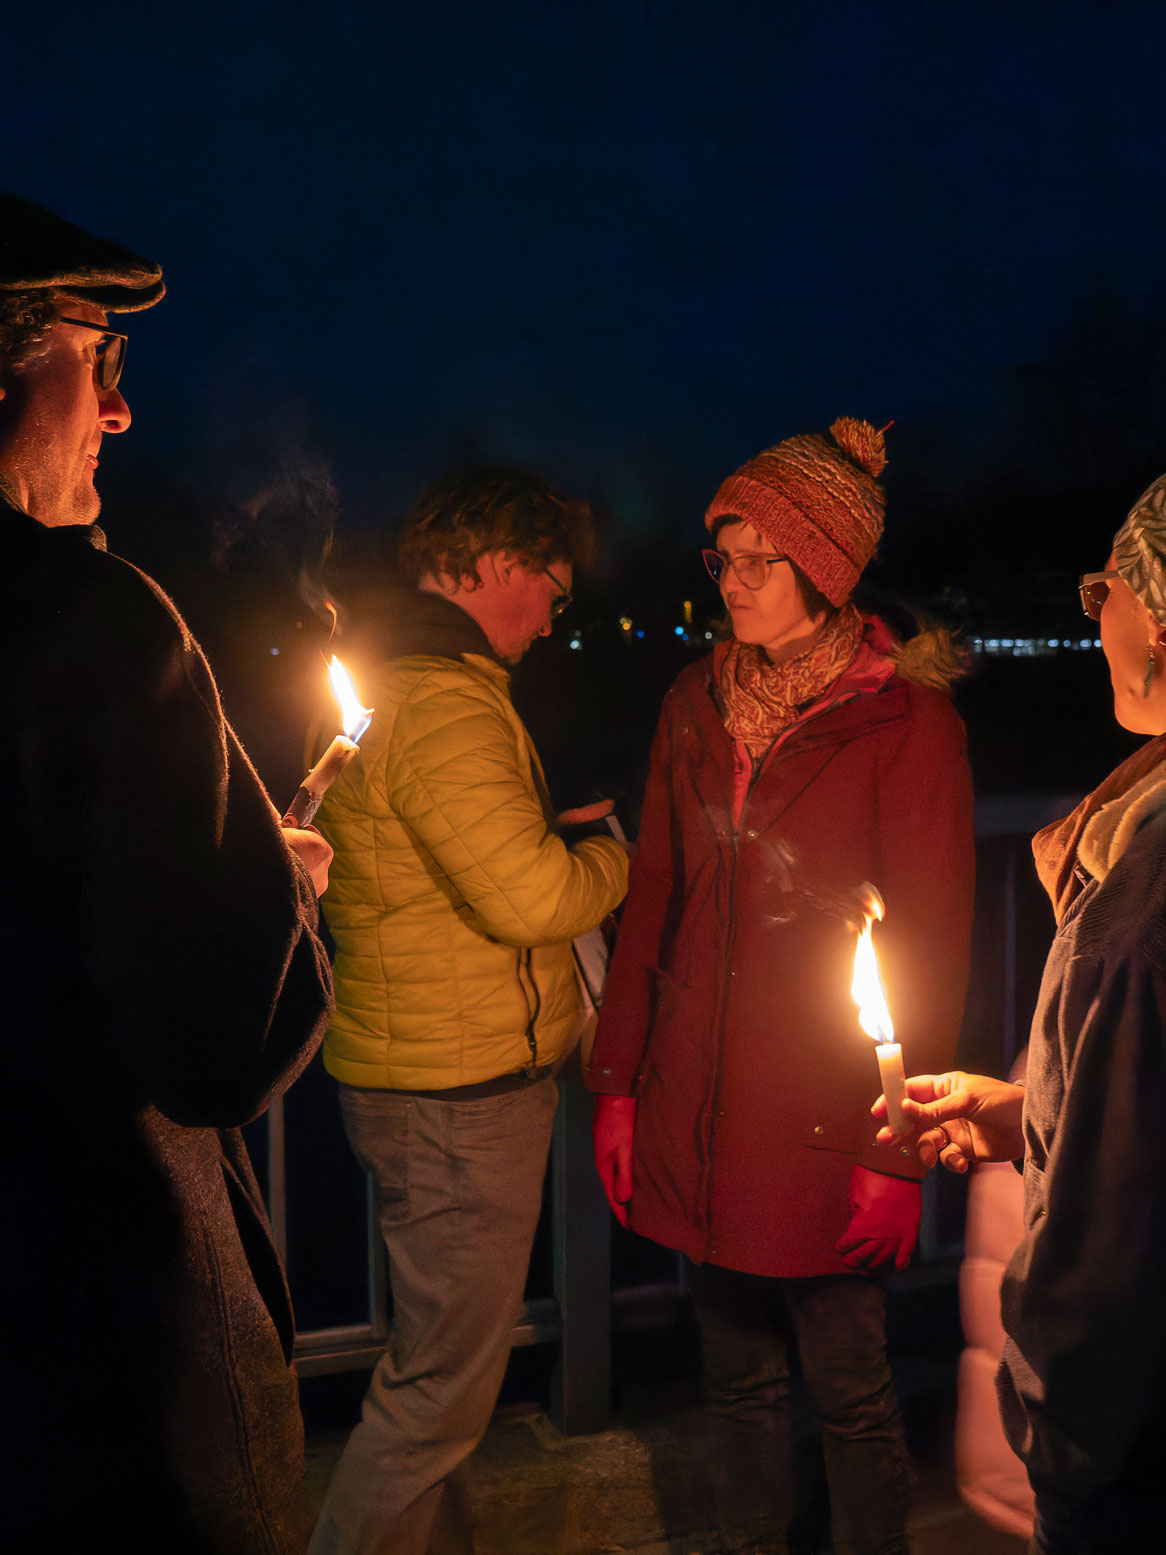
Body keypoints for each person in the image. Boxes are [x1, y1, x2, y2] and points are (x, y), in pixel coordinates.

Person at [1, 194, 335, 1551]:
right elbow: (212, 1043)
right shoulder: (91, 621)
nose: (120, 416)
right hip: (94, 1361)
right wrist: (279, 892)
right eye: (101, 363)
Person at [588, 418, 975, 1554]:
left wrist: (892, 1152)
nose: (734, 581)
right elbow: (650, 894)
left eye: (762, 557)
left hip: (828, 1116)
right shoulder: (691, 704)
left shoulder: (907, 724)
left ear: (826, 568)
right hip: (698, 1109)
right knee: (735, 1381)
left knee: (850, 1389)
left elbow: (933, 946)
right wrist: (619, 1082)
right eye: (723, 555)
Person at [307, 466, 629, 1555]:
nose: (549, 616)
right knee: (437, 1393)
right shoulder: (445, 702)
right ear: (496, 565)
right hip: (457, 1096)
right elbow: (532, 897)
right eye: (550, 585)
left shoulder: (405, 684)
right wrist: (612, 856)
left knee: (432, 1372)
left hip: (412, 1072)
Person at [879, 474, 1166, 1553]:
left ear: (1157, 617)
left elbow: (1107, 1249)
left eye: (1104, 590)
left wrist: (1050, 1441)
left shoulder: (1135, 919)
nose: (1090, 619)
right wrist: (1027, 1111)